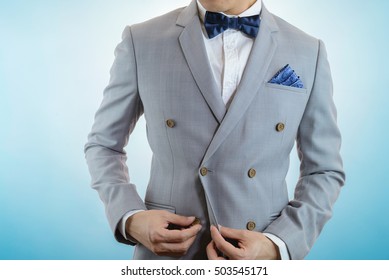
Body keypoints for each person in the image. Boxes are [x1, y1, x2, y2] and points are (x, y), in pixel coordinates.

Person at [85, 0, 345, 260]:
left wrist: (278, 244)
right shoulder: (141, 40)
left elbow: (324, 170)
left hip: (261, 260)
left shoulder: (309, 51)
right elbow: (104, 145)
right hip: (167, 258)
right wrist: (130, 217)